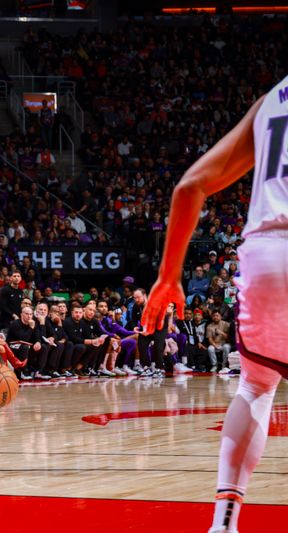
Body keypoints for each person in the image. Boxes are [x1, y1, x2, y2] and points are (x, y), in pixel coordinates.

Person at [141, 84, 280, 533]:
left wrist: (168, 278)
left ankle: (224, 523)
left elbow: (191, 185)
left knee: (257, 387)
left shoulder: (273, 99)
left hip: (264, 258)